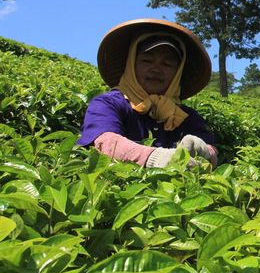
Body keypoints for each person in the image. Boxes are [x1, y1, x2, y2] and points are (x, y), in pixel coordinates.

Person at [77, 18, 218, 168]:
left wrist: (205, 151)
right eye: (147, 60)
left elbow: (212, 152)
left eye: (167, 64)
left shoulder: (187, 117)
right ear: (131, 64)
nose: (156, 69)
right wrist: (155, 158)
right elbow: (104, 141)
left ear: (178, 73)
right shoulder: (108, 103)